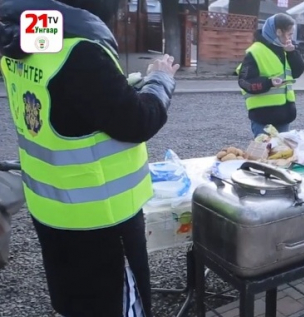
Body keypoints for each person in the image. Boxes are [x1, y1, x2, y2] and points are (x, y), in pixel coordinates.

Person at [0, 0, 178, 316]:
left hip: (53, 211)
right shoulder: (80, 49)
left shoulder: (28, 36)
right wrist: (160, 78)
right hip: (102, 221)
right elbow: (138, 121)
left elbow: (71, 104)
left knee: (76, 304)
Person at [237, 13, 304, 137]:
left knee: (283, 154)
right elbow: (244, 82)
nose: (290, 38)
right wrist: (269, 82)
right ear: (279, 32)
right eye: (289, 34)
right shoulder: (255, 51)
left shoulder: (284, 47)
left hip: (284, 116)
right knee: (263, 154)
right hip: (262, 118)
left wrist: (292, 53)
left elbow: (297, 72)